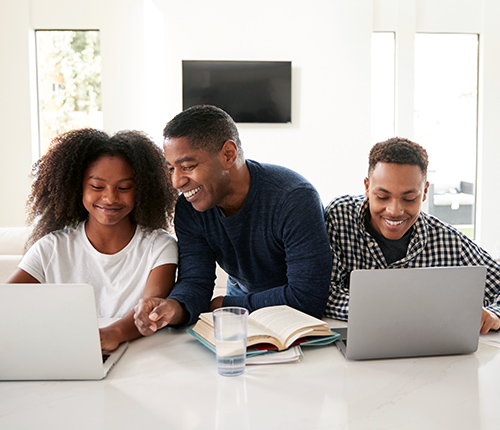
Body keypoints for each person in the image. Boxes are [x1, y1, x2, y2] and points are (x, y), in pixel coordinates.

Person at [134, 105, 332, 334]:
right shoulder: (190, 209)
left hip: (288, 310)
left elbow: (307, 297)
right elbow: (196, 281)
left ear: (228, 154)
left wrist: (226, 305)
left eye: (187, 166)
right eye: (171, 169)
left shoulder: (293, 198)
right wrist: (173, 306)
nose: (177, 182)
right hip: (242, 296)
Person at [7, 128, 178, 351]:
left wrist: (114, 333)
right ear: (78, 188)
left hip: (141, 358)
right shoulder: (51, 249)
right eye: (97, 187)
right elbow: (6, 304)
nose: (110, 198)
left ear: (142, 190)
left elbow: (150, 308)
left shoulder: (159, 246)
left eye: (124, 187)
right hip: (67, 353)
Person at [323, 137, 500, 334]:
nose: (394, 210)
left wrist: (494, 314)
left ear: (424, 192)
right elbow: (325, 292)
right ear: (367, 187)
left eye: (409, 199)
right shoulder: (339, 217)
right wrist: (398, 312)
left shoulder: (448, 240)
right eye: (382, 197)